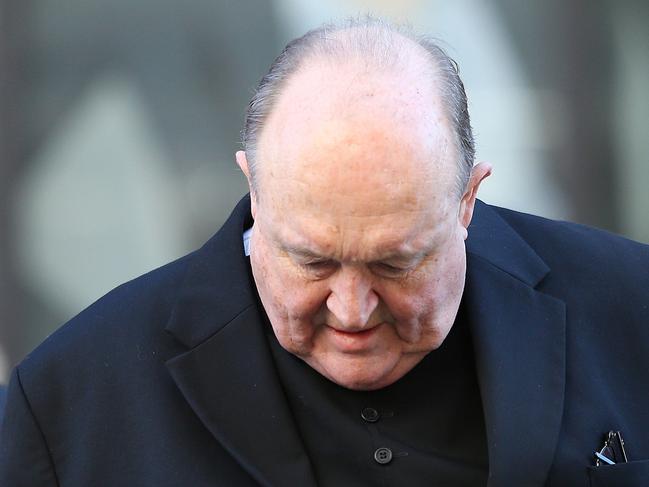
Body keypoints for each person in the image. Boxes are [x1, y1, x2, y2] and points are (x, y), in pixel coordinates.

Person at [1, 18, 649, 487]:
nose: (352, 309)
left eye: (394, 262)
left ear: (466, 201)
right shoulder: (72, 399)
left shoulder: (634, 309)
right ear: (253, 188)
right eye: (310, 261)